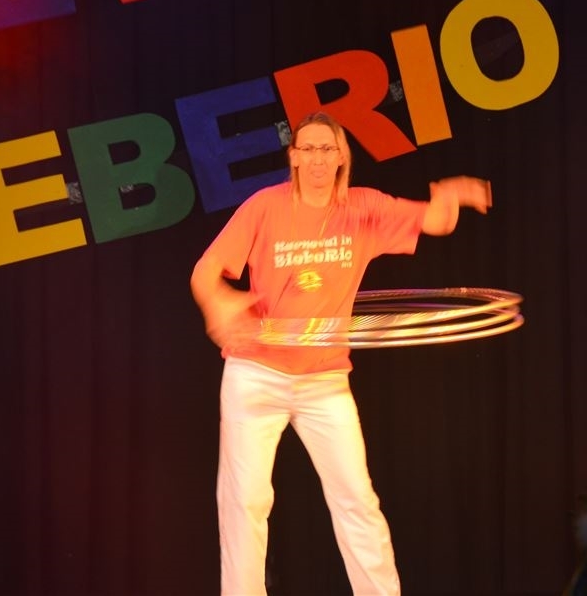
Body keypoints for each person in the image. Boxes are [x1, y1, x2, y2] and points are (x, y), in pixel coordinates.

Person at [190, 110, 492, 595]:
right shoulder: (264, 207)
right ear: (293, 157)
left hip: (324, 379)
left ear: (341, 158)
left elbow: (432, 219)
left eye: (326, 149)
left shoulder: (362, 208)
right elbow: (205, 272)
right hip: (257, 372)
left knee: (357, 499)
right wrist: (218, 303)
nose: (317, 158)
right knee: (245, 500)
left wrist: (448, 197)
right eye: (307, 149)